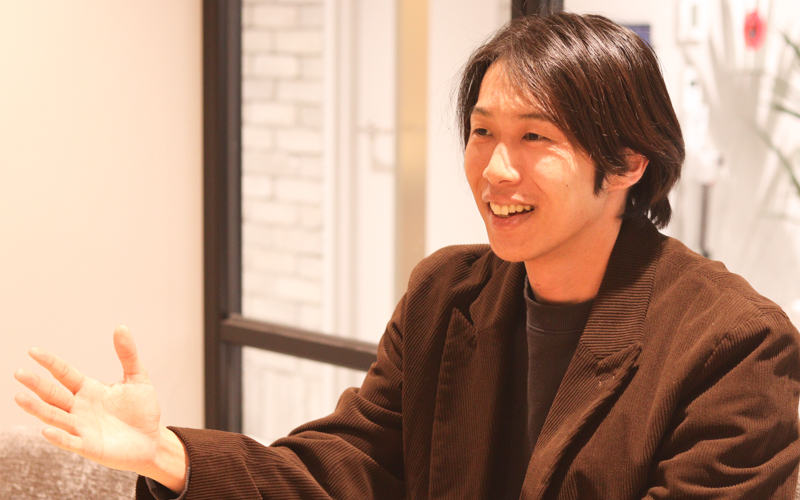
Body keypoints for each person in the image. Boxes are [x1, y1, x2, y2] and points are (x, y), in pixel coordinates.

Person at [14, 12, 800, 500]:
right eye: (483, 132)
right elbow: (347, 469)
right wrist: (168, 454)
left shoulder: (735, 347)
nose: (495, 170)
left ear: (626, 163)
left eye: (535, 137)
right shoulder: (448, 293)